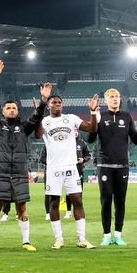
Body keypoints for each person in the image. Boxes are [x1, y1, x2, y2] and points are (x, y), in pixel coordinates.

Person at [35, 84, 100, 249]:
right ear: (48, 106)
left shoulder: (71, 118)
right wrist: (38, 114)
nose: (57, 105)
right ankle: (59, 239)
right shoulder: (45, 121)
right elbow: (37, 134)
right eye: (54, 103)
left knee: (77, 200)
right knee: (54, 202)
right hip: (54, 168)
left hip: (71, 167)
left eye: (59, 103)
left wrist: (93, 112)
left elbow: (92, 128)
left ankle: (82, 239)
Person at [0, 87, 39, 251]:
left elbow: (36, 118)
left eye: (14, 108)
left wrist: (43, 103)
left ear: (17, 111)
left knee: (22, 208)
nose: (11, 110)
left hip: (19, 173)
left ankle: (26, 242)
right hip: (0, 173)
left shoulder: (24, 127)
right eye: (8, 108)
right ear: (3, 112)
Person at [87, 88, 137, 246]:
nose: (115, 99)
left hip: (122, 165)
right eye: (111, 97)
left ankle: (118, 235)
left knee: (120, 200)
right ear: (106, 100)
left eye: (117, 97)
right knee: (106, 200)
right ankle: (106, 235)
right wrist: (94, 115)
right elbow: (91, 138)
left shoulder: (126, 116)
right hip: (104, 164)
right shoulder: (101, 116)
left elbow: (135, 140)